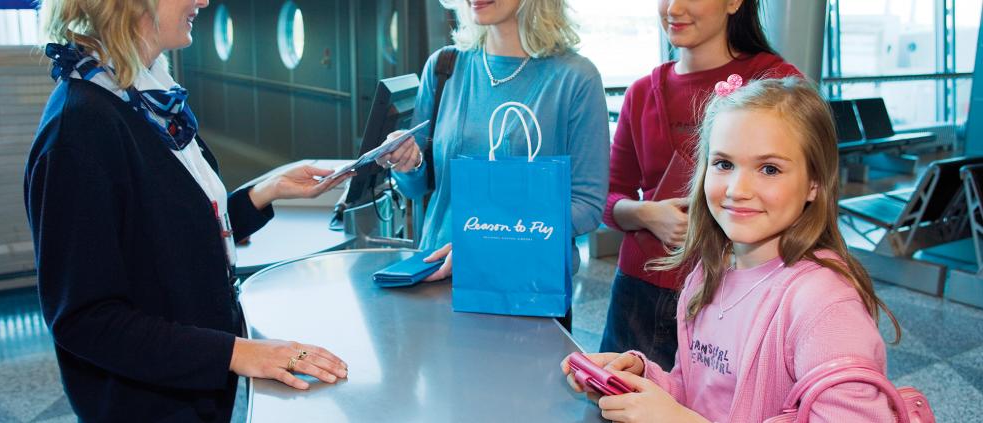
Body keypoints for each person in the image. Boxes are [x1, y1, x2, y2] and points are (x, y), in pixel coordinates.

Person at [25, 1, 349, 421]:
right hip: (145, 405)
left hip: (189, 387)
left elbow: (168, 235)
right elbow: (86, 319)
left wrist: (266, 191)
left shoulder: (145, 102)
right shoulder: (79, 130)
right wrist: (239, 352)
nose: (203, 1)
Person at [562, 77, 903, 422]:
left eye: (769, 169)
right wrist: (643, 381)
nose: (738, 190)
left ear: (814, 182)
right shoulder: (707, 275)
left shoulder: (824, 304)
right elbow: (698, 396)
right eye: (724, 164)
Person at [599, 0, 802, 369]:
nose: (674, 8)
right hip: (641, 287)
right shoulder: (642, 92)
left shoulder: (777, 84)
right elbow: (609, 197)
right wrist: (647, 214)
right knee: (619, 391)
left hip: (735, 289)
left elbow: (802, 183)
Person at [375, 0, 610, 284]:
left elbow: (586, 206)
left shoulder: (576, 78)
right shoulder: (444, 67)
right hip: (436, 271)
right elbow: (417, 188)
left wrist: (486, 244)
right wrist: (407, 162)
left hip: (526, 283)